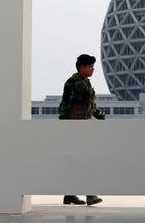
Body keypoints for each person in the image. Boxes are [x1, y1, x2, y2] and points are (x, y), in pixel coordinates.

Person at [59, 54, 106, 206]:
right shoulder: (72, 83)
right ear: (82, 67)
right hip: (75, 128)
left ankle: (69, 195)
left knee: (78, 163)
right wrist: (66, 129)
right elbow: (65, 107)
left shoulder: (88, 84)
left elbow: (91, 106)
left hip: (84, 127)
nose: (93, 69)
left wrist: (101, 116)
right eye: (90, 66)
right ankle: (90, 195)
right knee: (84, 162)